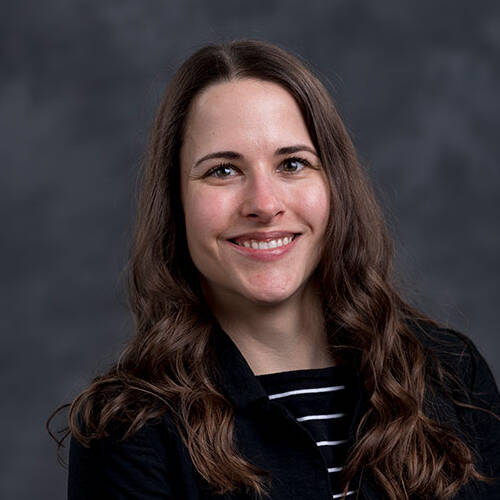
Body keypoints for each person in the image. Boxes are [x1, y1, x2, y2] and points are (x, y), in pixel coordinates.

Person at [48, 39, 500, 499]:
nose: (264, 205)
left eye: (292, 163)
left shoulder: (451, 374)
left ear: (334, 185)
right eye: (223, 171)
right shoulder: (129, 429)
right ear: (176, 203)